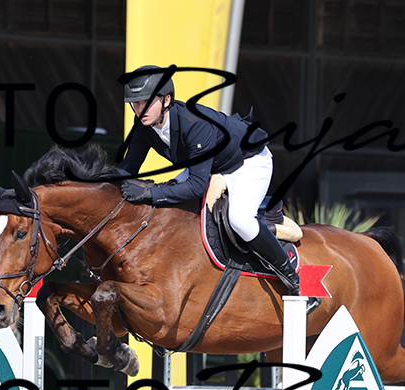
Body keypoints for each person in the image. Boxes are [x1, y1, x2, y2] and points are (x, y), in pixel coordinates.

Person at [116, 65, 317, 309]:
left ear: (166, 100)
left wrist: (149, 193)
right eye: (136, 104)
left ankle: (295, 281)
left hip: (247, 161)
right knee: (167, 203)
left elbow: (196, 187)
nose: (140, 110)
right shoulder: (144, 126)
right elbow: (128, 169)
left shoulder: (194, 124)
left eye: (146, 103)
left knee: (239, 220)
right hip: (211, 165)